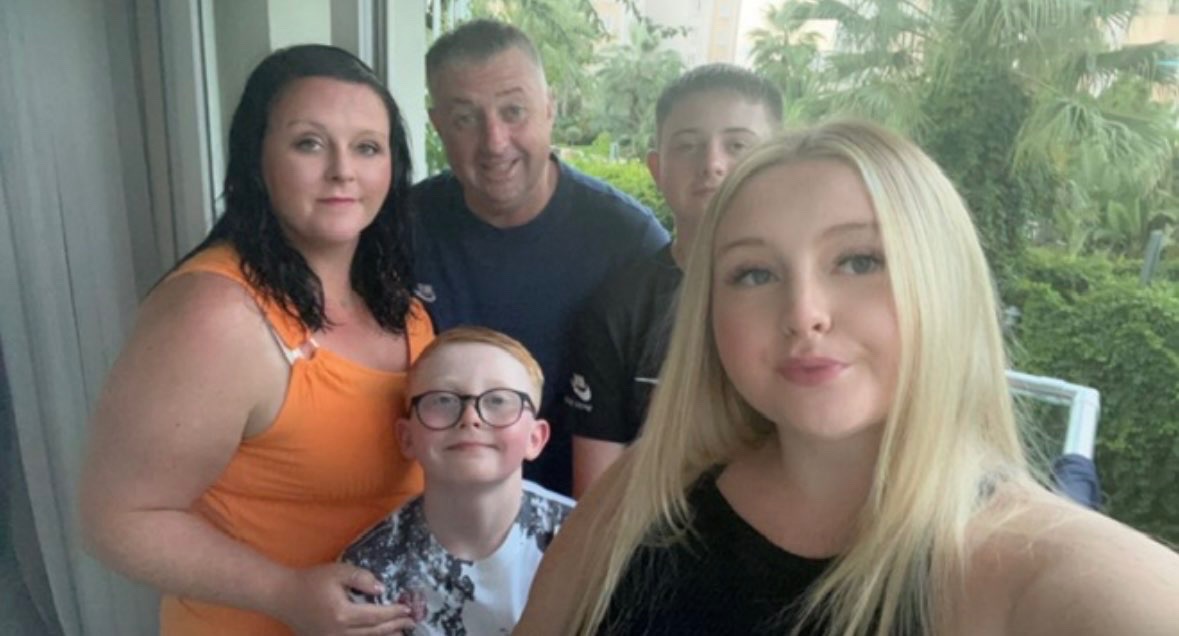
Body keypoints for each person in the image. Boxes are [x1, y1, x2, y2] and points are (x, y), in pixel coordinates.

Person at [515, 120, 1179, 635]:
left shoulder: (1032, 567)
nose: (803, 313)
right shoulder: (644, 494)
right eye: (754, 273)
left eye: (859, 261)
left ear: (943, 285)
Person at [80, 45, 433, 636]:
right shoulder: (216, 314)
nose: (343, 170)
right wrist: (284, 593)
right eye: (309, 143)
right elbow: (114, 519)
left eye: (367, 147)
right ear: (257, 160)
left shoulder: (404, 307)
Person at [412, 19, 670, 496]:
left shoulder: (629, 241)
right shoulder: (401, 228)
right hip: (432, 507)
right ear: (437, 125)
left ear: (549, 108)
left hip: (584, 509)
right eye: (465, 118)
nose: (494, 141)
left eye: (514, 111)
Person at [564, 64, 783, 497]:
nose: (712, 164)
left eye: (737, 144)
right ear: (656, 167)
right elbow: (595, 495)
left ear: (777, 162)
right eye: (687, 145)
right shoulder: (617, 309)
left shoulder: (808, 300)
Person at [341, 326, 574, 635]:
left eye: (498, 400)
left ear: (536, 438)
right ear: (407, 438)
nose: (470, 417)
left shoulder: (588, 539)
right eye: (443, 400)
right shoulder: (371, 570)